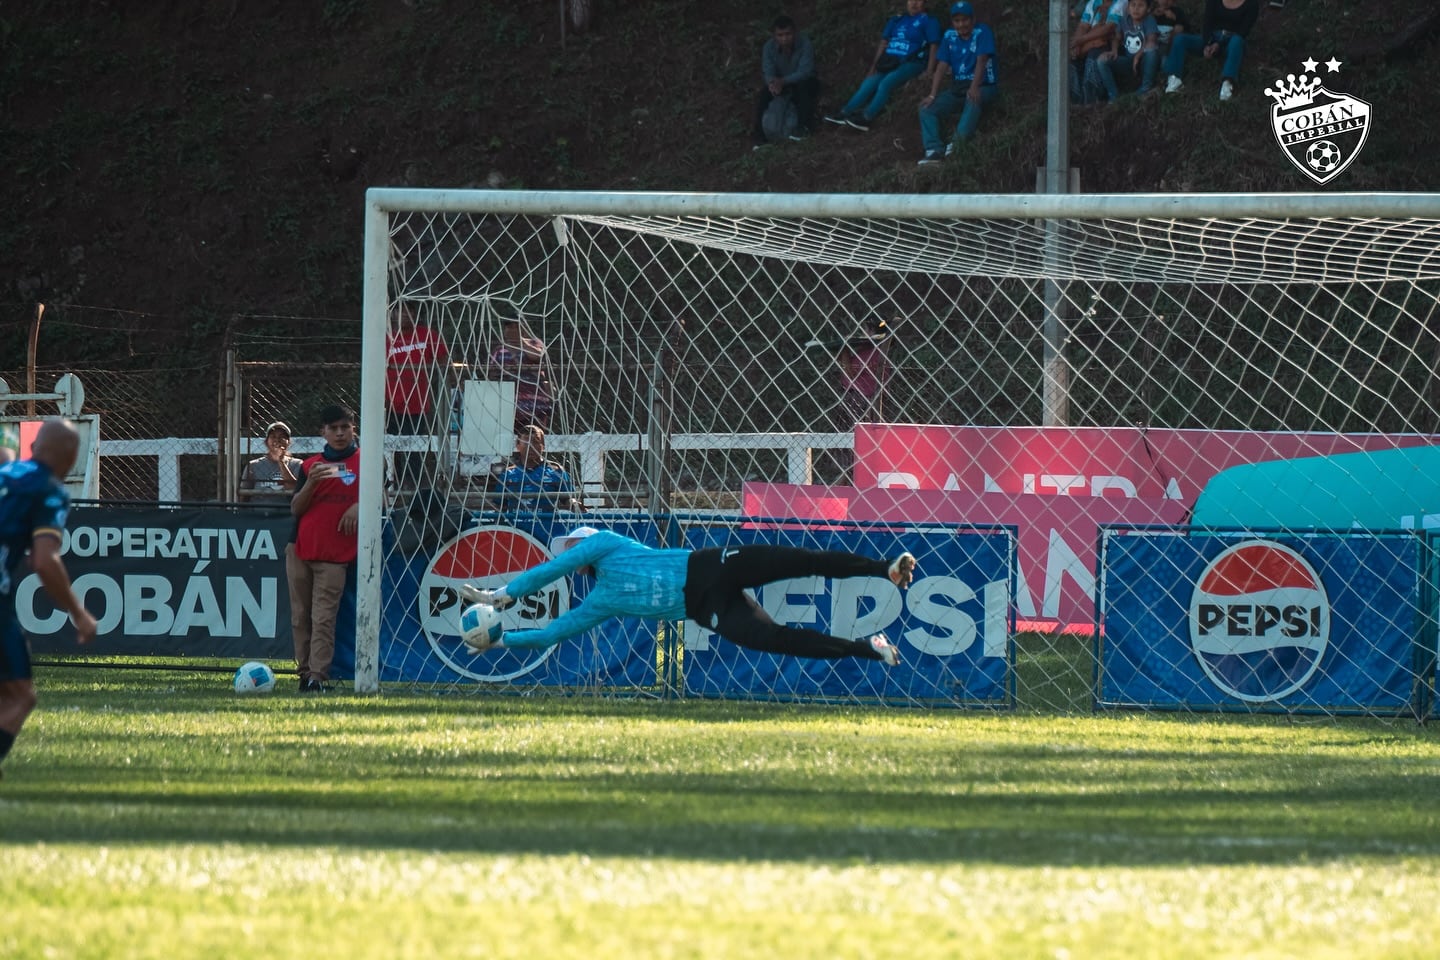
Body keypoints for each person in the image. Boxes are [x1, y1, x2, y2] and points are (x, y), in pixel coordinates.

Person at [459, 526, 915, 667]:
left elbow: (552, 568)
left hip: (712, 566)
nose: (568, 553)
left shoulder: (606, 544)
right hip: (707, 608)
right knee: (776, 640)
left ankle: (885, 569)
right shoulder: (601, 601)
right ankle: (868, 648)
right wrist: (502, 640)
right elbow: (552, 634)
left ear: (585, 542)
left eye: (571, 545)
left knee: (801, 561)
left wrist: (505, 594)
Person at [0, 420, 98, 775]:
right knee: (21, 696)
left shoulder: (5, 471)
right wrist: (79, 612)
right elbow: (44, 560)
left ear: (33, 446)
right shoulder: (48, 490)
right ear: (71, 458)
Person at [288, 404, 361, 693]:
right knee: (300, 616)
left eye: (345, 427)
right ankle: (304, 675)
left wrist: (360, 505)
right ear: (323, 432)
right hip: (300, 547)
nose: (340, 433)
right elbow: (296, 508)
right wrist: (311, 484)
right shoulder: (310, 466)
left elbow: (382, 498)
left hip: (335, 555)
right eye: (334, 428)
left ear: (353, 429)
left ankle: (317, 677)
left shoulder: (367, 461)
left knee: (323, 618)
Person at [824, 0, 940, 132]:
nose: (914, 3)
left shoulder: (929, 21)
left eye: (918, 0)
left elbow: (934, 45)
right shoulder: (897, 19)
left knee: (886, 83)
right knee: (869, 82)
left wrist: (929, 70)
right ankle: (845, 112)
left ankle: (867, 116)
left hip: (913, 61)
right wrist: (873, 67)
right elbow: (883, 43)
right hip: (890, 60)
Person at [917, 3, 999, 165]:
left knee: (973, 98)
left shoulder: (982, 31)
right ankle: (934, 150)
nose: (961, 24)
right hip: (958, 87)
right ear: (952, 22)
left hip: (984, 85)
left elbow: (982, 60)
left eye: (965, 20)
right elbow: (942, 66)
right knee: (926, 108)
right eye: (957, 21)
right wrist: (932, 95)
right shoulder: (949, 36)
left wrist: (974, 87)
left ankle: (957, 144)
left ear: (973, 19)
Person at [1162, 0, 1260, 101]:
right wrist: (1208, 43)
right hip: (1212, 37)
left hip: (1232, 41)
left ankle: (1228, 82)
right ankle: (1174, 78)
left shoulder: (1251, 4)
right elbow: (1207, 23)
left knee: (1237, 41)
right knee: (1180, 39)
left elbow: (1243, 31)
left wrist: (1218, 44)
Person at [752, 15, 819, 148]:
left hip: (802, 81)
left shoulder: (805, 44)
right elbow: (767, 70)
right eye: (780, 35)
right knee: (764, 95)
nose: (784, 38)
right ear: (774, 36)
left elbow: (805, 71)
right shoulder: (769, 47)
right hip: (780, 83)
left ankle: (804, 128)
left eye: (788, 34)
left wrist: (783, 81)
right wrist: (772, 84)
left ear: (794, 32)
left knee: (804, 89)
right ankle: (760, 135)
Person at [386, 302, 449, 436]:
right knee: (391, 444)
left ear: (414, 314)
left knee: (416, 445)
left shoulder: (427, 335)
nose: (404, 315)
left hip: (418, 405)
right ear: (393, 314)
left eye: (408, 311)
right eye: (400, 311)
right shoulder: (386, 338)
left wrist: (450, 381)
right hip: (391, 406)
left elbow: (444, 360)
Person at [491, 424, 578, 512]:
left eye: (535, 442)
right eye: (526, 442)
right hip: (516, 521)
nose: (531, 446)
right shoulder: (508, 473)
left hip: (545, 521)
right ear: (518, 445)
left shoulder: (556, 471)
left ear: (543, 445)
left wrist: (574, 504)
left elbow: (568, 498)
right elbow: (498, 504)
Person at [489, 318, 554, 434]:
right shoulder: (499, 350)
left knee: (534, 438)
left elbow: (536, 355)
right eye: (509, 327)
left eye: (516, 327)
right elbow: (491, 374)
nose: (513, 330)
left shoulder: (534, 343)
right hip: (509, 407)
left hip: (536, 407)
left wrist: (521, 341)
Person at [1095, 0, 1160, 101]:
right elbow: (1116, 38)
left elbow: (1151, 41)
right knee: (1102, 60)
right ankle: (1113, 96)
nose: (1136, 8)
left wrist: (1138, 56)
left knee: (1151, 49)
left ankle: (1146, 87)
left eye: (1141, 5)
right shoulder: (1124, 20)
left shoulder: (1149, 20)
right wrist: (1114, 51)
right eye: (1133, 5)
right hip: (1129, 62)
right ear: (1128, 8)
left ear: (1148, 9)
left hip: (1145, 62)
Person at [1069, 0, 1124, 104]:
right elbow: (1083, 26)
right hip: (1089, 41)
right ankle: (1076, 103)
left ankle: (1092, 101)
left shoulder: (1121, 2)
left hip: (1111, 44)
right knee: (1073, 59)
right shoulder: (1093, 2)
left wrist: (1081, 41)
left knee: (1095, 54)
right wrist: (1077, 45)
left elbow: (1107, 29)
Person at [238, 421, 304, 504]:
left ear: (289, 442)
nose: (277, 440)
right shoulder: (253, 465)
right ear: (266, 442)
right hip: (260, 510)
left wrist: (281, 462)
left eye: (282, 437)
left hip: (286, 511)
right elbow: (243, 497)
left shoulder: (297, 464)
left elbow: (294, 489)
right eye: (273, 436)